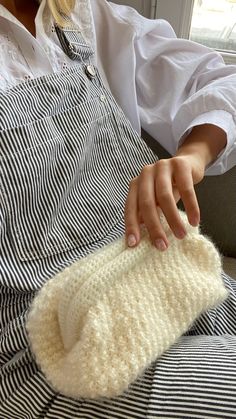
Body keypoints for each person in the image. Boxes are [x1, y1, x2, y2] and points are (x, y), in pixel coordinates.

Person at [0, 0, 236, 417]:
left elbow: (214, 79)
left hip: (168, 274)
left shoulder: (86, 17)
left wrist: (191, 156)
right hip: (46, 350)